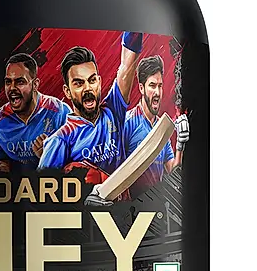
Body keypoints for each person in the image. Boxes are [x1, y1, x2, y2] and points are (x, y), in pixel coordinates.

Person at [38, 32, 143, 176]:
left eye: (92, 80)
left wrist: (134, 26)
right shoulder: (60, 140)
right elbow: (42, 186)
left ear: (99, 82)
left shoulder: (113, 109)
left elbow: (128, 64)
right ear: (67, 92)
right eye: (79, 83)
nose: (88, 88)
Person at [0, 53, 70, 172]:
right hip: (18, 184)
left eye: (20, 82)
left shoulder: (60, 112)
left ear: (35, 84)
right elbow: (3, 166)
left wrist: (49, 157)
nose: (12, 88)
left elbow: (75, 164)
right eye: (8, 82)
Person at [123, 55, 190, 197]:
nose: (158, 93)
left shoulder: (162, 129)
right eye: (152, 86)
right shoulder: (127, 123)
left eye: (160, 86)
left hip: (156, 204)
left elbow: (172, 172)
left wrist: (180, 145)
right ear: (141, 88)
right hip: (128, 207)